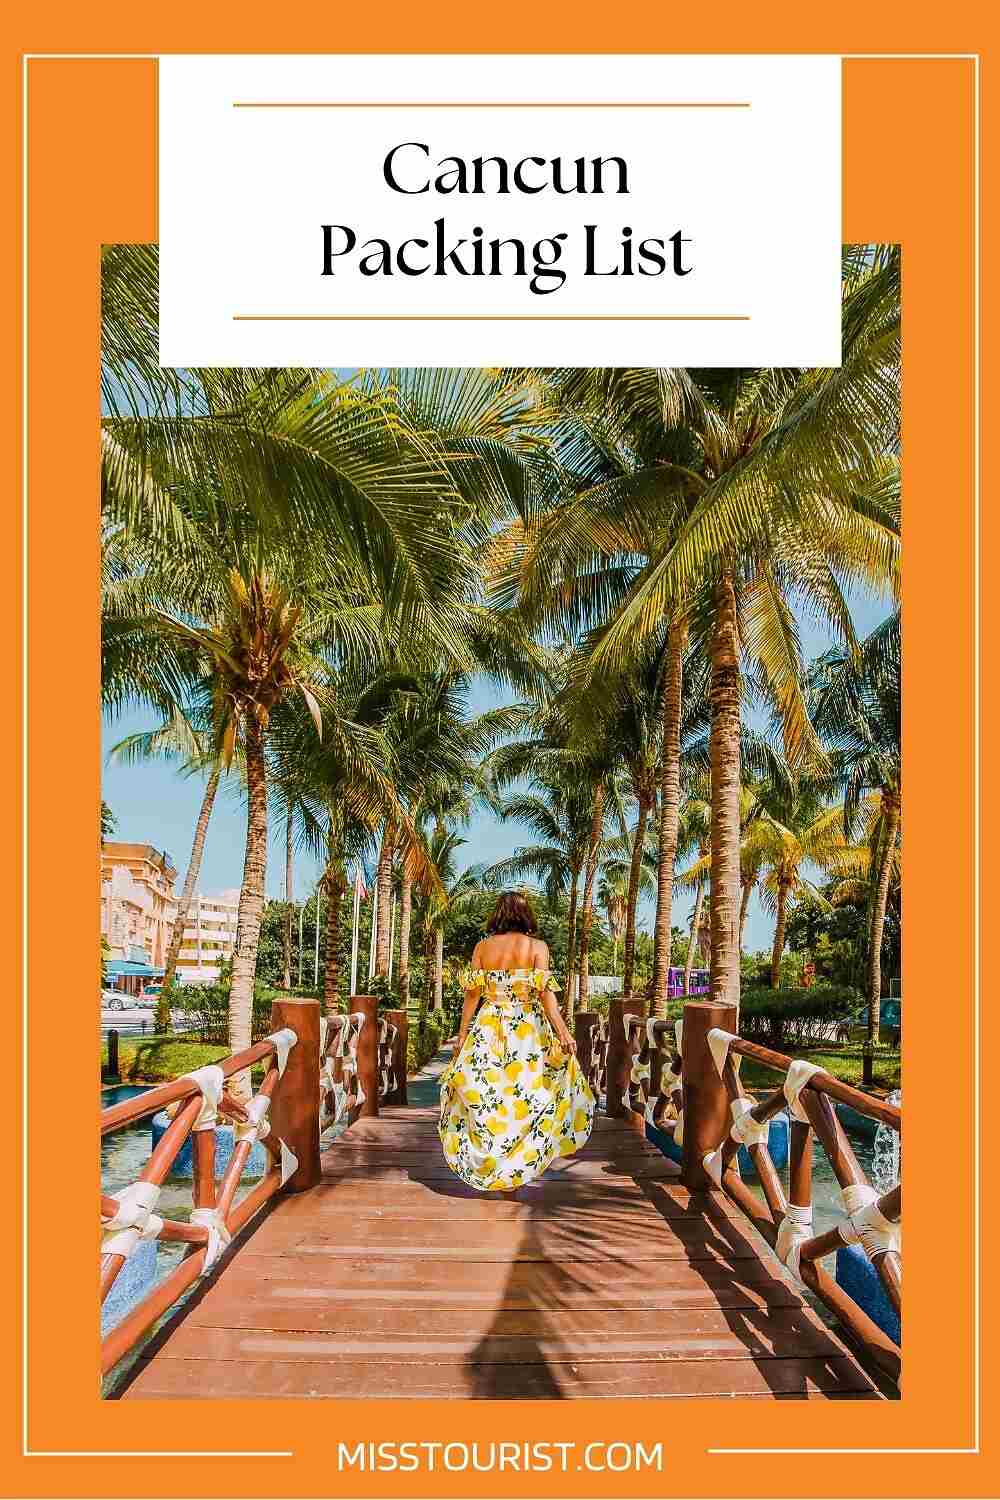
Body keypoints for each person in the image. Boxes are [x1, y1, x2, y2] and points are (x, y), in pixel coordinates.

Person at [437, 892, 595, 1192]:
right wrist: (562, 1031)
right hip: (527, 1031)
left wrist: (461, 1035)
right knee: (528, 1097)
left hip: (489, 1027)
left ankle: (495, 1165)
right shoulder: (537, 947)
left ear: (498, 915)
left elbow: (472, 996)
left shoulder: (483, 947)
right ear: (526, 916)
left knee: (488, 1098)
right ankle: (515, 1167)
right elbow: (547, 998)